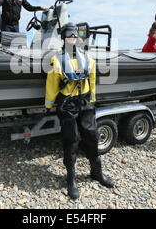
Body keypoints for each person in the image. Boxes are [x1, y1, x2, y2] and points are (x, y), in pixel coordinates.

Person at [45, 23, 114, 199]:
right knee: (71, 139)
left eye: (75, 35)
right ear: (63, 37)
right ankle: (71, 178)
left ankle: (96, 172)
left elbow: (92, 78)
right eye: (69, 35)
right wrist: (48, 105)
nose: (73, 38)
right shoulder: (57, 59)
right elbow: (52, 84)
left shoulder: (87, 58)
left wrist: (92, 99)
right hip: (67, 103)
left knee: (92, 135)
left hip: (84, 101)